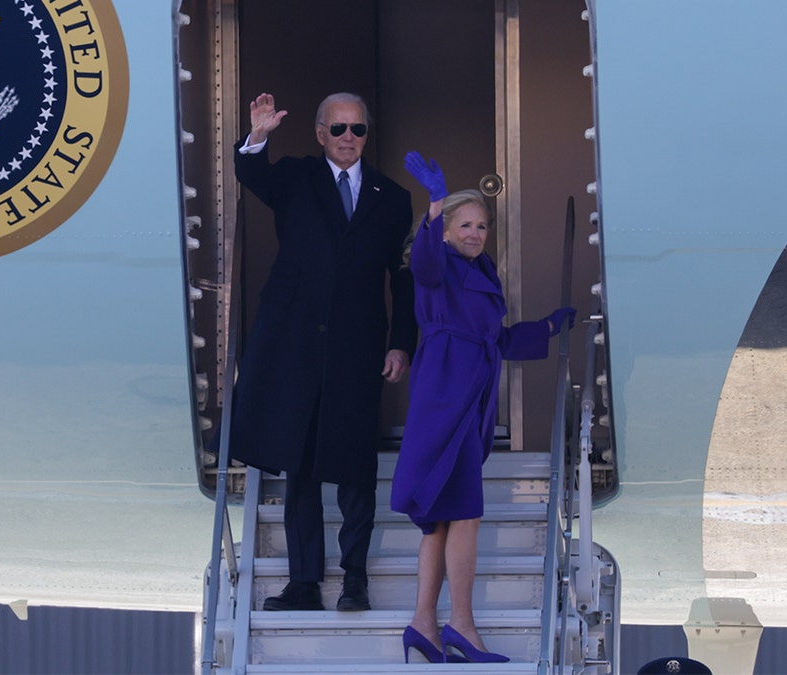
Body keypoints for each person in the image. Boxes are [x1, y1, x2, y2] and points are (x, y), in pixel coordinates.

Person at [229, 92, 417, 612]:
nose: (349, 138)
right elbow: (252, 175)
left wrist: (402, 341)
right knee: (301, 464)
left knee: (355, 465)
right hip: (295, 342)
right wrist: (258, 137)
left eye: (358, 129)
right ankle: (304, 582)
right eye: (338, 129)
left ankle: (354, 578)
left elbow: (402, 278)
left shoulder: (392, 197)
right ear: (319, 133)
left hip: (357, 346)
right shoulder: (294, 177)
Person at [392, 151, 575, 663]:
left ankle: (424, 622)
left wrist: (549, 327)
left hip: (468, 398)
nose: (475, 233)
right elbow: (424, 263)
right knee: (464, 514)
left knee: (442, 518)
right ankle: (463, 626)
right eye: (465, 225)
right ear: (446, 230)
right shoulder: (438, 264)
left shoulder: (481, 270)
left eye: (482, 226)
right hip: (444, 396)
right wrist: (433, 202)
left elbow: (497, 340)